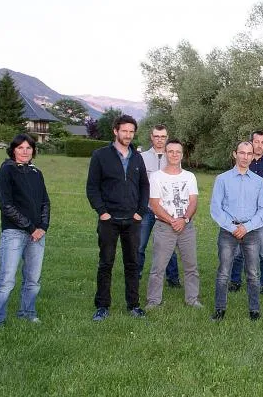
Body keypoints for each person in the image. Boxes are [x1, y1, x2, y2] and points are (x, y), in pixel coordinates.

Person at [86, 115, 149, 321]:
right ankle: (102, 306)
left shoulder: (137, 157)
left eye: (131, 131)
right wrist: (102, 212)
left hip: (132, 220)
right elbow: (92, 187)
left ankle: (134, 305)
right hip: (109, 220)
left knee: (132, 264)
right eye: (124, 131)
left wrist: (140, 211)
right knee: (106, 263)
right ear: (115, 131)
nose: (128, 135)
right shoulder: (100, 155)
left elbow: (144, 186)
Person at [0, 134, 50, 328]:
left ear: (33, 151)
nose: (25, 151)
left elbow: (45, 202)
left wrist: (42, 227)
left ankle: (27, 313)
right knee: (6, 279)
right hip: (14, 232)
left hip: (37, 234)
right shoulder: (6, 171)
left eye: (28, 148)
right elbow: (6, 205)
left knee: (33, 279)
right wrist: (30, 227)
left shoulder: (36, 172)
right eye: (20, 148)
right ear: (13, 150)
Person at [210, 141, 263, 321]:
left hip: (251, 232)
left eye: (249, 154)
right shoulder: (222, 179)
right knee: (223, 273)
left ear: (252, 156)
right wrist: (232, 227)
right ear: (234, 154)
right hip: (228, 231)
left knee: (253, 273)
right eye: (242, 153)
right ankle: (220, 309)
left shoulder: (259, 182)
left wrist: (246, 227)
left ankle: (254, 310)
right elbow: (216, 208)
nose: (245, 157)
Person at [145, 140, 201, 309]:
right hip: (164, 227)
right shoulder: (156, 177)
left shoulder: (189, 176)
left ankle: (192, 299)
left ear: (182, 155)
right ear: (166, 154)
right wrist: (172, 221)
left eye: (178, 152)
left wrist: (184, 219)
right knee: (158, 267)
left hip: (186, 227)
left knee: (191, 266)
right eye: (171, 151)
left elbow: (193, 202)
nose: (174, 154)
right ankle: (153, 300)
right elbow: (154, 204)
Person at [229, 130, 263, 295]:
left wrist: (254, 187)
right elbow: (236, 186)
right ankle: (235, 281)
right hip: (242, 216)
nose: (259, 145)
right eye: (257, 141)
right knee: (238, 252)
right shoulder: (244, 160)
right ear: (251, 142)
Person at [137, 124, 180, 287]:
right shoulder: (142, 157)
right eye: (156, 136)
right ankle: (136, 276)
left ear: (167, 138)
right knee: (139, 245)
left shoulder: (173, 157)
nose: (159, 140)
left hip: (166, 211)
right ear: (151, 137)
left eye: (163, 137)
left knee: (168, 246)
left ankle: (173, 279)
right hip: (146, 209)